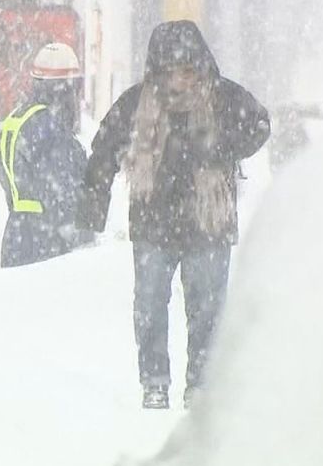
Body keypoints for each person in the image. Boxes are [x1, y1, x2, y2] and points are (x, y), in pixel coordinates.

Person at [79, 20, 271, 409]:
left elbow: (259, 125)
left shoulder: (224, 98)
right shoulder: (137, 103)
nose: (179, 80)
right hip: (154, 223)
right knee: (149, 305)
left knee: (208, 309)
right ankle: (154, 382)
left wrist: (222, 149)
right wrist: (92, 206)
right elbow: (104, 149)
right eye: (170, 70)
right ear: (158, 70)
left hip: (209, 222)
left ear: (200, 66)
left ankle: (201, 384)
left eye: (187, 69)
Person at [0, 42, 90, 268]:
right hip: (47, 246)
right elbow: (64, 197)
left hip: (16, 237)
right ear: (64, 89)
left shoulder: (17, 120)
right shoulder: (50, 130)